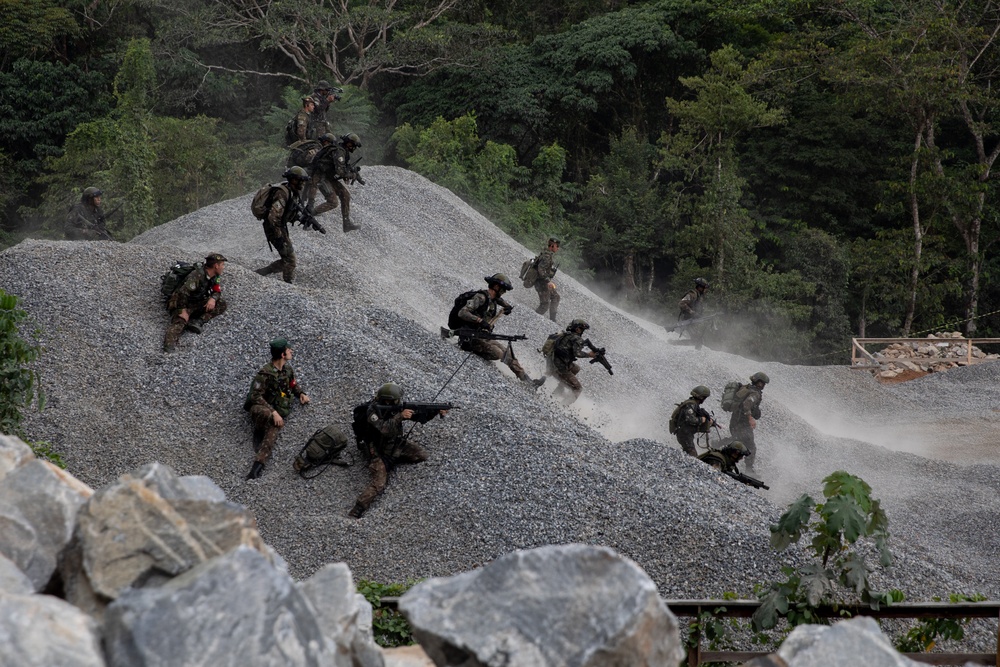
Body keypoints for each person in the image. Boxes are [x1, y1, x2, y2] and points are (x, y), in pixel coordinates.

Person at [348, 382, 447, 518]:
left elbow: (418, 416)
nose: (398, 401)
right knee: (379, 483)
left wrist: (435, 411)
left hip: (394, 444)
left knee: (422, 455)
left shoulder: (394, 408)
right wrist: (400, 416)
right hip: (377, 450)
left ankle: (395, 457)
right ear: (388, 399)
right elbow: (384, 429)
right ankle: (358, 508)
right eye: (395, 400)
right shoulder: (372, 411)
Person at [453, 274, 545, 388]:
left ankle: (528, 381)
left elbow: (501, 301)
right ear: (496, 287)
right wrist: (480, 321)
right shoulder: (481, 298)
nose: (504, 292)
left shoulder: (493, 299)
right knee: (499, 353)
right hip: (470, 338)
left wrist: (508, 307)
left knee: (507, 352)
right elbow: (462, 313)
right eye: (503, 290)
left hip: (482, 337)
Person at [244, 338, 311, 480]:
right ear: (282, 354)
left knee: (273, 432)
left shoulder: (287, 369)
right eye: (288, 350)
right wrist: (273, 412)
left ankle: (257, 467)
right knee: (270, 416)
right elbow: (255, 396)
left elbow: (292, 384)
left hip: (277, 409)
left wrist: (301, 394)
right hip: (260, 408)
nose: (291, 351)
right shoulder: (265, 374)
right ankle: (259, 425)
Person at [162, 253, 228, 353]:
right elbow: (182, 293)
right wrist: (182, 310)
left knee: (221, 304)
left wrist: (213, 299)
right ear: (216, 266)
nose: (223, 267)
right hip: (182, 303)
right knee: (180, 322)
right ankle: (168, 346)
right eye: (222, 265)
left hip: (196, 301)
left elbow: (217, 290)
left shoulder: (214, 276)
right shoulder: (197, 276)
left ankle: (198, 322)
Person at [255, 166, 311, 283]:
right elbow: (273, 217)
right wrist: (279, 236)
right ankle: (287, 283)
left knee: (287, 259)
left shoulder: (292, 193)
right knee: (290, 260)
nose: (302, 184)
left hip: (279, 228)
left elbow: (288, 213)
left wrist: (301, 219)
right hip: (274, 229)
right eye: (300, 180)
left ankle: (260, 273)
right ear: (294, 180)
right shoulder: (283, 193)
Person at [308, 133, 362, 232]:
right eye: (353, 145)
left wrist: (350, 173)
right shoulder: (339, 151)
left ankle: (346, 223)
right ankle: (309, 215)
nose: (354, 148)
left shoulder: (343, 151)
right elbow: (340, 171)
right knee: (333, 202)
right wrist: (351, 175)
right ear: (349, 144)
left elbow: (342, 169)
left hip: (328, 177)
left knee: (345, 195)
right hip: (321, 177)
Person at [549, 319, 599, 405]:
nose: (582, 332)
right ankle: (562, 405)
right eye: (582, 330)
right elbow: (577, 353)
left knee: (576, 368)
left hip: (553, 361)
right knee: (578, 388)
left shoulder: (566, 334)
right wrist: (589, 355)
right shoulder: (577, 339)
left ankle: (559, 389)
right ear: (578, 329)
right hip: (560, 366)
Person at [729, 372, 769, 471]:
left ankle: (720, 445)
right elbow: (747, 404)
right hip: (743, 424)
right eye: (763, 383)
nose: (763, 385)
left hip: (735, 421)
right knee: (751, 446)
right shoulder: (755, 393)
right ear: (759, 382)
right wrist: (750, 418)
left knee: (738, 440)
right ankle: (749, 469)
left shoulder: (746, 388)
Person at [671, 385, 715, 457]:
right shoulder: (691, 405)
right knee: (692, 454)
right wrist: (702, 419)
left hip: (685, 433)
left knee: (689, 453)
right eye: (704, 397)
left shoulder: (693, 404)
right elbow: (690, 419)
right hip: (684, 433)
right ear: (701, 397)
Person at [533, 237, 561, 322]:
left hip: (543, 281)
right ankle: (533, 318)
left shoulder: (547, 254)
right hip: (541, 282)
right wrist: (548, 281)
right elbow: (540, 269)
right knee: (544, 305)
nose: (558, 248)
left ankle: (552, 320)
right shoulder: (547, 256)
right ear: (552, 246)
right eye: (557, 246)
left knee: (555, 296)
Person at [676, 277, 709, 348]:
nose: (705, 290)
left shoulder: (700, 296)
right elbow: (681, 303)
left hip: (693, 320)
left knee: (699, 339)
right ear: (700, 287)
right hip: (687, 320)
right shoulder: (692, 294)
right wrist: (691, 312)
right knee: (697, 340)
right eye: (704, 288)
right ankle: (675, 344)